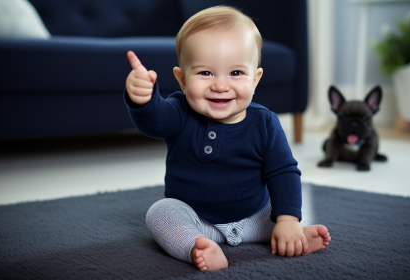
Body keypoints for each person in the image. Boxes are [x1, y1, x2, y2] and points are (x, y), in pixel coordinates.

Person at [124, 5, 331, 271]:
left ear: (255, 80)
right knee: (160, 213)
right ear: (182, 80)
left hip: (255, 218)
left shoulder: (265, 122)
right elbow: (154, 121)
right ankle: (196, 246)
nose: (220, 85)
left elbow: (284, 172)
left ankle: (291, 235)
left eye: (235, 73)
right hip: (197, 220)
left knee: (282, 212)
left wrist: (288, 219)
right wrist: (143, 99)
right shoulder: (178, 112)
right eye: (205, 73)